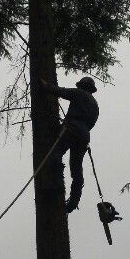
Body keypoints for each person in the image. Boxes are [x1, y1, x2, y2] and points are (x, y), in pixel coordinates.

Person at [41, 75, 99, 213]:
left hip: (72, 128)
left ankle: (56, 186)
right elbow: (91, 123)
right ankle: (73, 202)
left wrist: (46, 86)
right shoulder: (95, 105)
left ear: (82, 86)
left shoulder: (78, 93)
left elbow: (62, 92)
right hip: (84, 135)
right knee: (76, 170)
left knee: (55, 153)